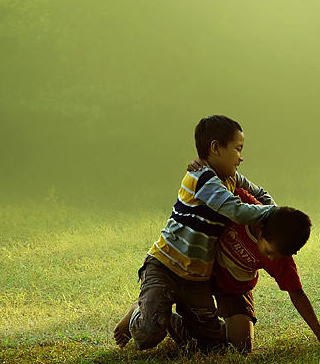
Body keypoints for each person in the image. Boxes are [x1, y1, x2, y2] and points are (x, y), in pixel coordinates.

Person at [113, 115, 276, 351]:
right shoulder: (201, 178)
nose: (241, 157)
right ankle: (139, 312)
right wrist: (273, 213)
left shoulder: (231, 178)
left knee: (210, 346)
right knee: (148, 335)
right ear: (215, 148)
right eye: (237, 149)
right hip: (165, 266)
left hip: (196, 278)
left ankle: (164, 316)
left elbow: (261, 194)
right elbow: (235, 210)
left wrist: (277, 213)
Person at [207, 186, 320, 351]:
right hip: (203, 273)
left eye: (277, 256)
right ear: (261, 229)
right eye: (269, 252)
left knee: (241, 347)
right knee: (199, 332)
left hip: (234, 288)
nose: (271, 258)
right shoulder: (242, 205)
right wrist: (201, 166)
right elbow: (221, 182)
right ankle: (183, 324)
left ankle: (215, 331)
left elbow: (297, 293)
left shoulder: (281, 257)